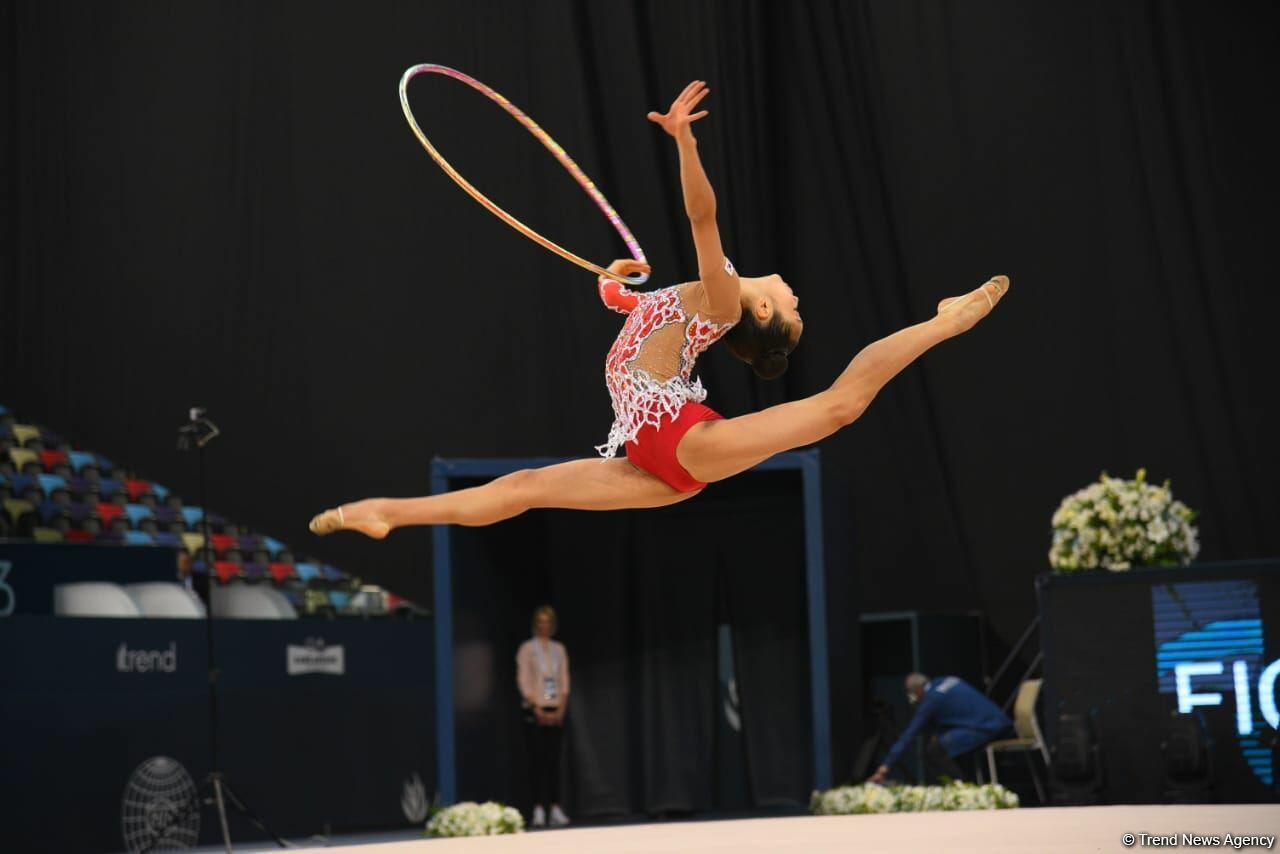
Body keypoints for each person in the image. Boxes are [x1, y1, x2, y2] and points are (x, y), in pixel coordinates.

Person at [308, 80, 1008, 537]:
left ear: (763, 309)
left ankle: (944, 320)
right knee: (522, 488)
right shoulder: (691, 302)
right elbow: (627, 308)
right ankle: (385, 513)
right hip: (653, 462)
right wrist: (614, 284)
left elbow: (703, 217)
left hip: (681, 441)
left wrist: (685, 143)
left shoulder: (723, 300)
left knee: (838, 408)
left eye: (792, 308)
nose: (796, 294)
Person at [868, 673, 1012, 784]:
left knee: (934, 751)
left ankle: (960, 788)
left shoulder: (931, 700)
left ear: (917, 691)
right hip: (1000, 723)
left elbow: (909, 734)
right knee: (944, 744)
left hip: (985, 728)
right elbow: (956, 713)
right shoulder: (946, 680)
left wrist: (885, 767)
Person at [516, 605, 570, 827]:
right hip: (535, 709)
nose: (544, 626)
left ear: (553, 625)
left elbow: (563, 680)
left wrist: (560, 709)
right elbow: (524, 679)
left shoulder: (559, 649)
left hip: (554, 708)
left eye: (548, 622)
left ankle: (555, 807)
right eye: (540, 622)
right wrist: (535, 706)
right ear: (535, 625)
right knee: (537, 760)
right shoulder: (528, 649)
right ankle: (538, 808)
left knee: (554, 760)